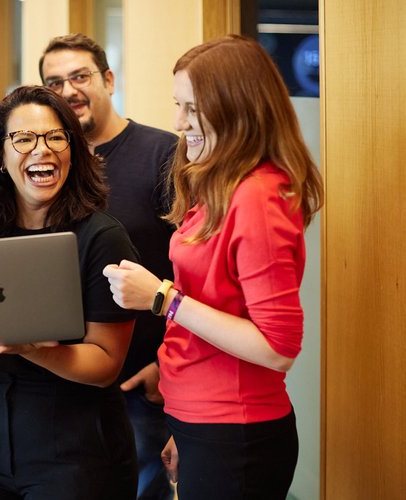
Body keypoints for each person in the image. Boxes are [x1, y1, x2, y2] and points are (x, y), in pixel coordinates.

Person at [104, 35, 324, 500]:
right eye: (177, 106)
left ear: (235, 107)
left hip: (235, 428)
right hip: (205, 422)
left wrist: (161, 297)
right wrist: (184, 421)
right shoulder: (223, 186)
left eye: (191, 108)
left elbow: (277, 347)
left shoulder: (257, 198)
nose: (178, 123)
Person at [0, 85, 140, 500]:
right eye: (23, 139)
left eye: (56, 137)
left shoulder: (102, 238)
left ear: (73, 151)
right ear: (0, 156)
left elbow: (107, 363)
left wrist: (32, 347)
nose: (42, 149)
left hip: (78, 437)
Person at [39, 33, 178, 500]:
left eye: (80, 76)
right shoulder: (50, 164)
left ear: (109, 79)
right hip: (65, 379)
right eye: (54, 83)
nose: (69, 91)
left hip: (144, 381)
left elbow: (194, 270)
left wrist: (169, 361)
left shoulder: (164, 155)